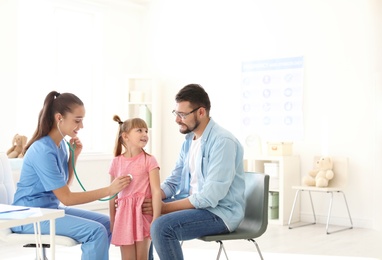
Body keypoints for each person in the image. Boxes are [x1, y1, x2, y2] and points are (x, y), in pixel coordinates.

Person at [12, 91, 131, 260]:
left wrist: (74, 156)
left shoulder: (60, 145)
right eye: (77, 120)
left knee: (108, 223)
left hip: (49, 210)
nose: (81, 126)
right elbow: (67, 198)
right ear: (59, 117)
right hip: (29, 216)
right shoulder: (42, 150)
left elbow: (64, 188)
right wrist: (110, 190)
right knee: (95, 231)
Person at [149, 84, 245, 260]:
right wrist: (152, 197)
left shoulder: (223, 142)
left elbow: (209, 197)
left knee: (161, 227)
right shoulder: (189, 140)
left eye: (182, 115)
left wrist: (164, 208)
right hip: (195, 205)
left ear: (201, 112)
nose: (177, 120)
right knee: (145, 213)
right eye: (176, 113)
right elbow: (173, 182)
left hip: (219, 213)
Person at [109, 115, 161, 260]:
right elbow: (112, 194)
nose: (145, 134)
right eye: (139, 130)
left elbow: (156, 191)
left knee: (142, 257)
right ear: (125, 136)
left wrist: (156, 218)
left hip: (143, 215)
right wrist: (113, 220)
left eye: (146, 131)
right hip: (123, 216)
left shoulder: (150, 160)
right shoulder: (116, 162)